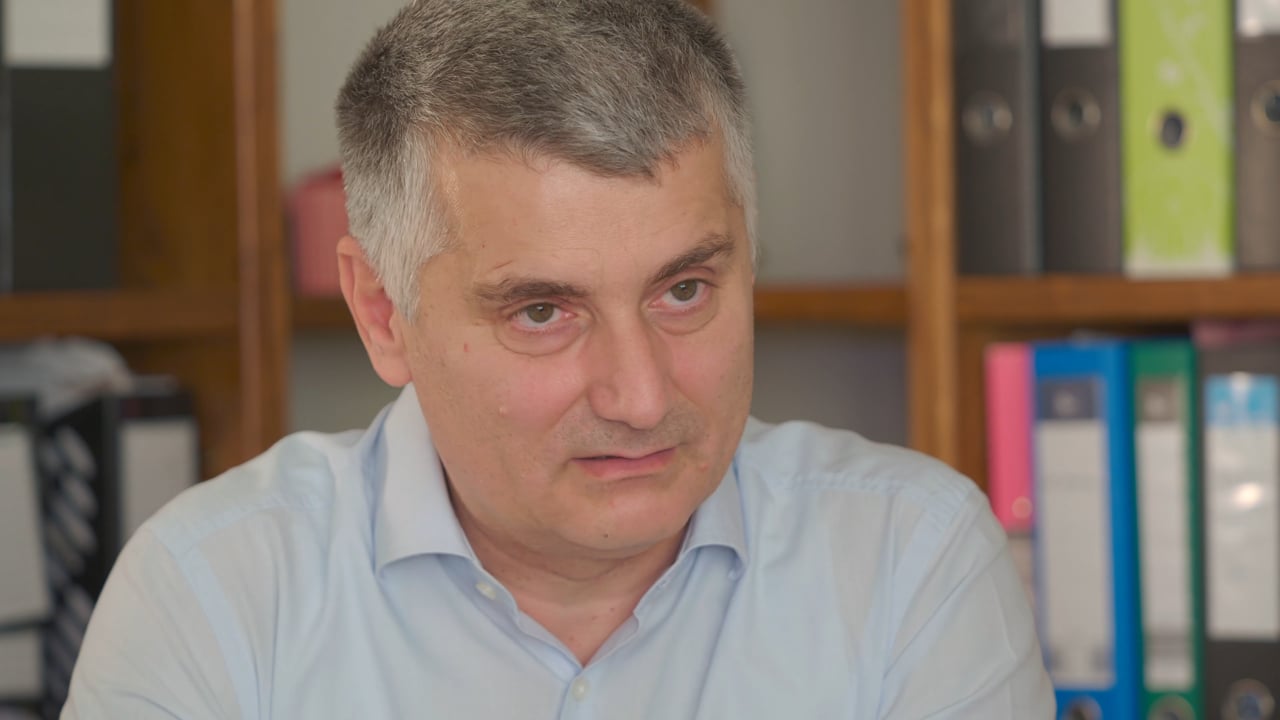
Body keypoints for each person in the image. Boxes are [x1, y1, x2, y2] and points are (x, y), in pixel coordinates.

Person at [63, 0, 1054, 717]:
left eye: (682, 291)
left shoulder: (910, 564)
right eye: (542, 311)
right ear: (381, 312)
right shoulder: (214, 595)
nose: (640, 396)